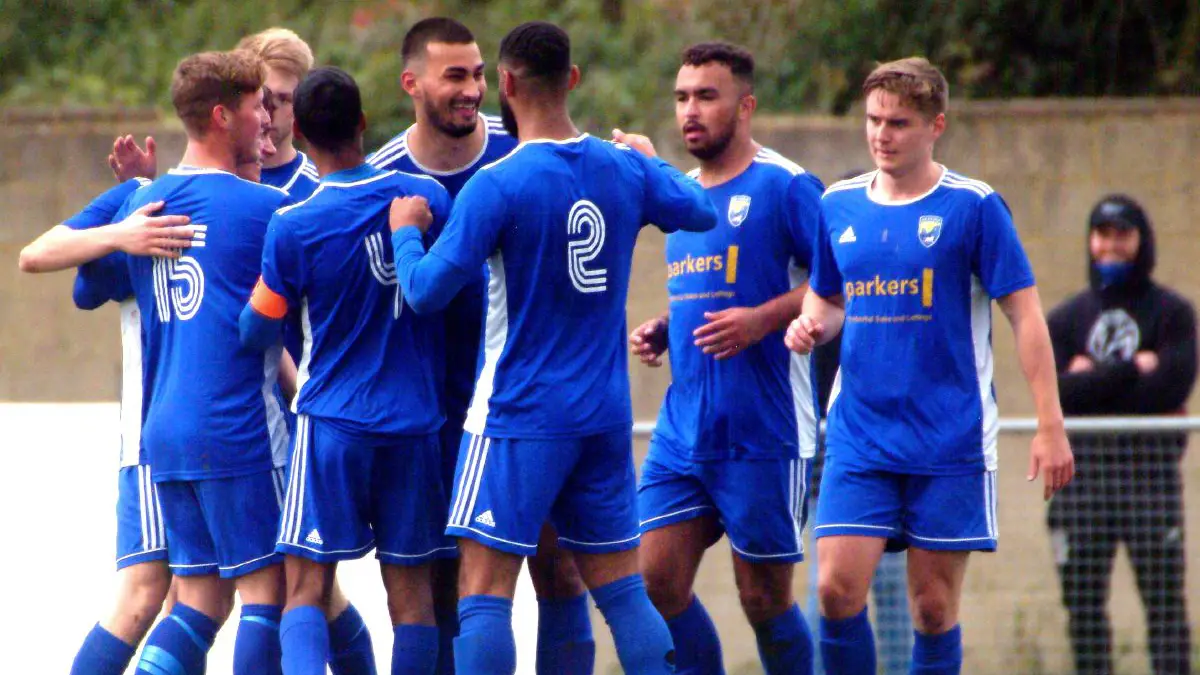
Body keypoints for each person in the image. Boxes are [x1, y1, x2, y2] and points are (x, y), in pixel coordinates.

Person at [387, 20, 718, 675]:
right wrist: (651, 158)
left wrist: (404, 232)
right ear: (572, 79)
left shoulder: (498, 183)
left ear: (506, 85)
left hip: (517, 413)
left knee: (484, 591)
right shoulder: (624, 167)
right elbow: (699, 210)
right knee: (621, 591)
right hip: (602, 414)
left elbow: (424, 292)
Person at [784, 57, 1074, 675]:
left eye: (898, 123)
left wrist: (1050, 424)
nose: (881, 135)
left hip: (948, 436)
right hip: (860, 433)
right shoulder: (838, 205)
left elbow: (1025, 314)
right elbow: (828, 299)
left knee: (933, 608)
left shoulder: (973, 206)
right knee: (835, 589)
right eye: (873, 120)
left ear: (935, 125)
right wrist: (810, 324)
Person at [368, 18, 595, 675]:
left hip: (527, 401)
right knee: (450, 588)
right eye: (454, 76)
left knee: (558, 567)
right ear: (411, 84)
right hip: (430, 417)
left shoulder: (520, 150)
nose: (472, 90)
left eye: (477, 74)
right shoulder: (382, 178)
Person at [240, 65, 454, 675]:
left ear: (302, 136)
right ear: (363, 122)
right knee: (412, 599)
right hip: (413, 425)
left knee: (306, 588)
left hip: (333, 422)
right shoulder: (424, 198)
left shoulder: (294, 224)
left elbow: (257, 329)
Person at [628, 41, 820, 675]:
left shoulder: (786, 185)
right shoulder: (681, 195)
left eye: (707, 96)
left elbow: (842, 286)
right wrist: (668, 327)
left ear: (745, 106)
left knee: (762, 598)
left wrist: (762, 319)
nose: (691, 110)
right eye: (682, 97)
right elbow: (708, 288)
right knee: (653, 582)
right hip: (683, 428)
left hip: (763, 427)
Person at [114, 50, 290, 675]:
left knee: (198, 600)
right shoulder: (262, 208)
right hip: (237, 427)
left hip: (164, 430)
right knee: (270, 593)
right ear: (222, 116)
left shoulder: (143, 206)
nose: (266, 119)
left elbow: (86, 284)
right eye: (257, 107)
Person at [1047, 194, 1195, 675]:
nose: (1111, 245)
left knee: (1165, 606)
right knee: (1084, 609)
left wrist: (1091, 378)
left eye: (1122, 235)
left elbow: (1169, 387)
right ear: (1091, 240)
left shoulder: (1173, 313)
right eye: (1103, 234)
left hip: (1150, 484)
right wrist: (1133, 367)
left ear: (1140, 240)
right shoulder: (1065, 319)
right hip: (1081, 486)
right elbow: (1058, 393)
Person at [802, 169, 913, 675]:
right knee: (828, 587)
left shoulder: (895, 294)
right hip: (833, 458)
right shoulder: (821, 292)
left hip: (890, 454)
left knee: (891, 590)